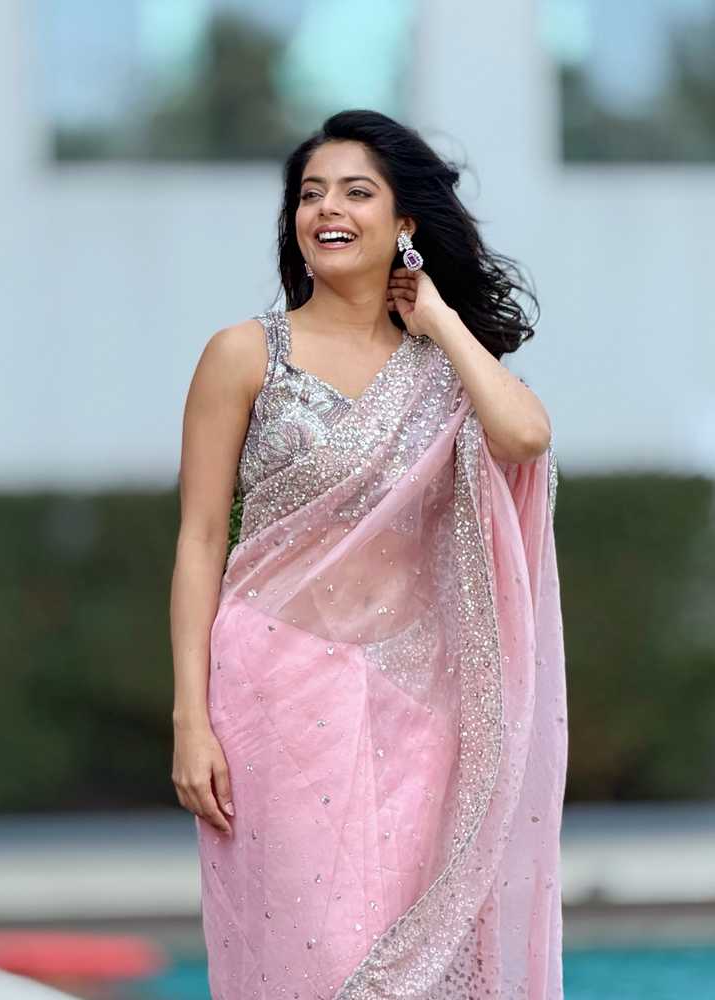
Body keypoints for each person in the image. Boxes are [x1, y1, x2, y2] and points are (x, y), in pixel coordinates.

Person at [169, 109, 567, 999]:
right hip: (272, 697)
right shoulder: (244, 355)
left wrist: (442, 322)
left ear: (404, 222)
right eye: (310, 194)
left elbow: (526, 436)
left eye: (356, 192)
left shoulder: (446, 369)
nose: (327, 210)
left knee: (421, 963)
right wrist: (191, 719)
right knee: (311, 957)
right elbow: (199, 540)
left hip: (419, 707)